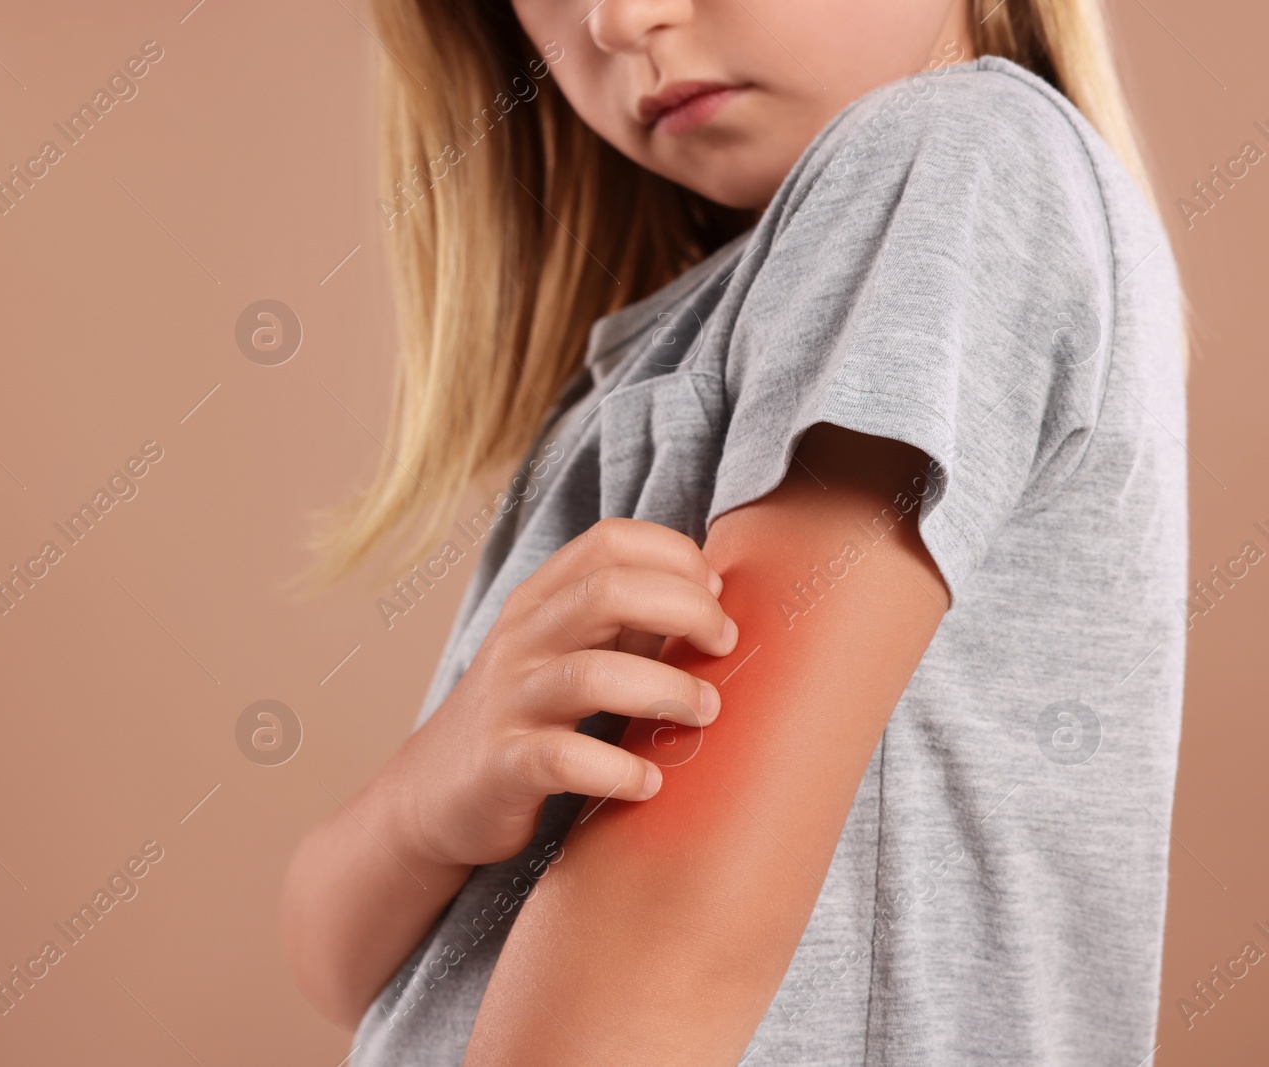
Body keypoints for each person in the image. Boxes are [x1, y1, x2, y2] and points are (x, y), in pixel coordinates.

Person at [282, 0, 1187, 1062]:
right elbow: (341, 967)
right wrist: (427, 798)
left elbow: (678, 940)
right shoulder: (668, 343)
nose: (620, 19)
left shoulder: (949, 153)